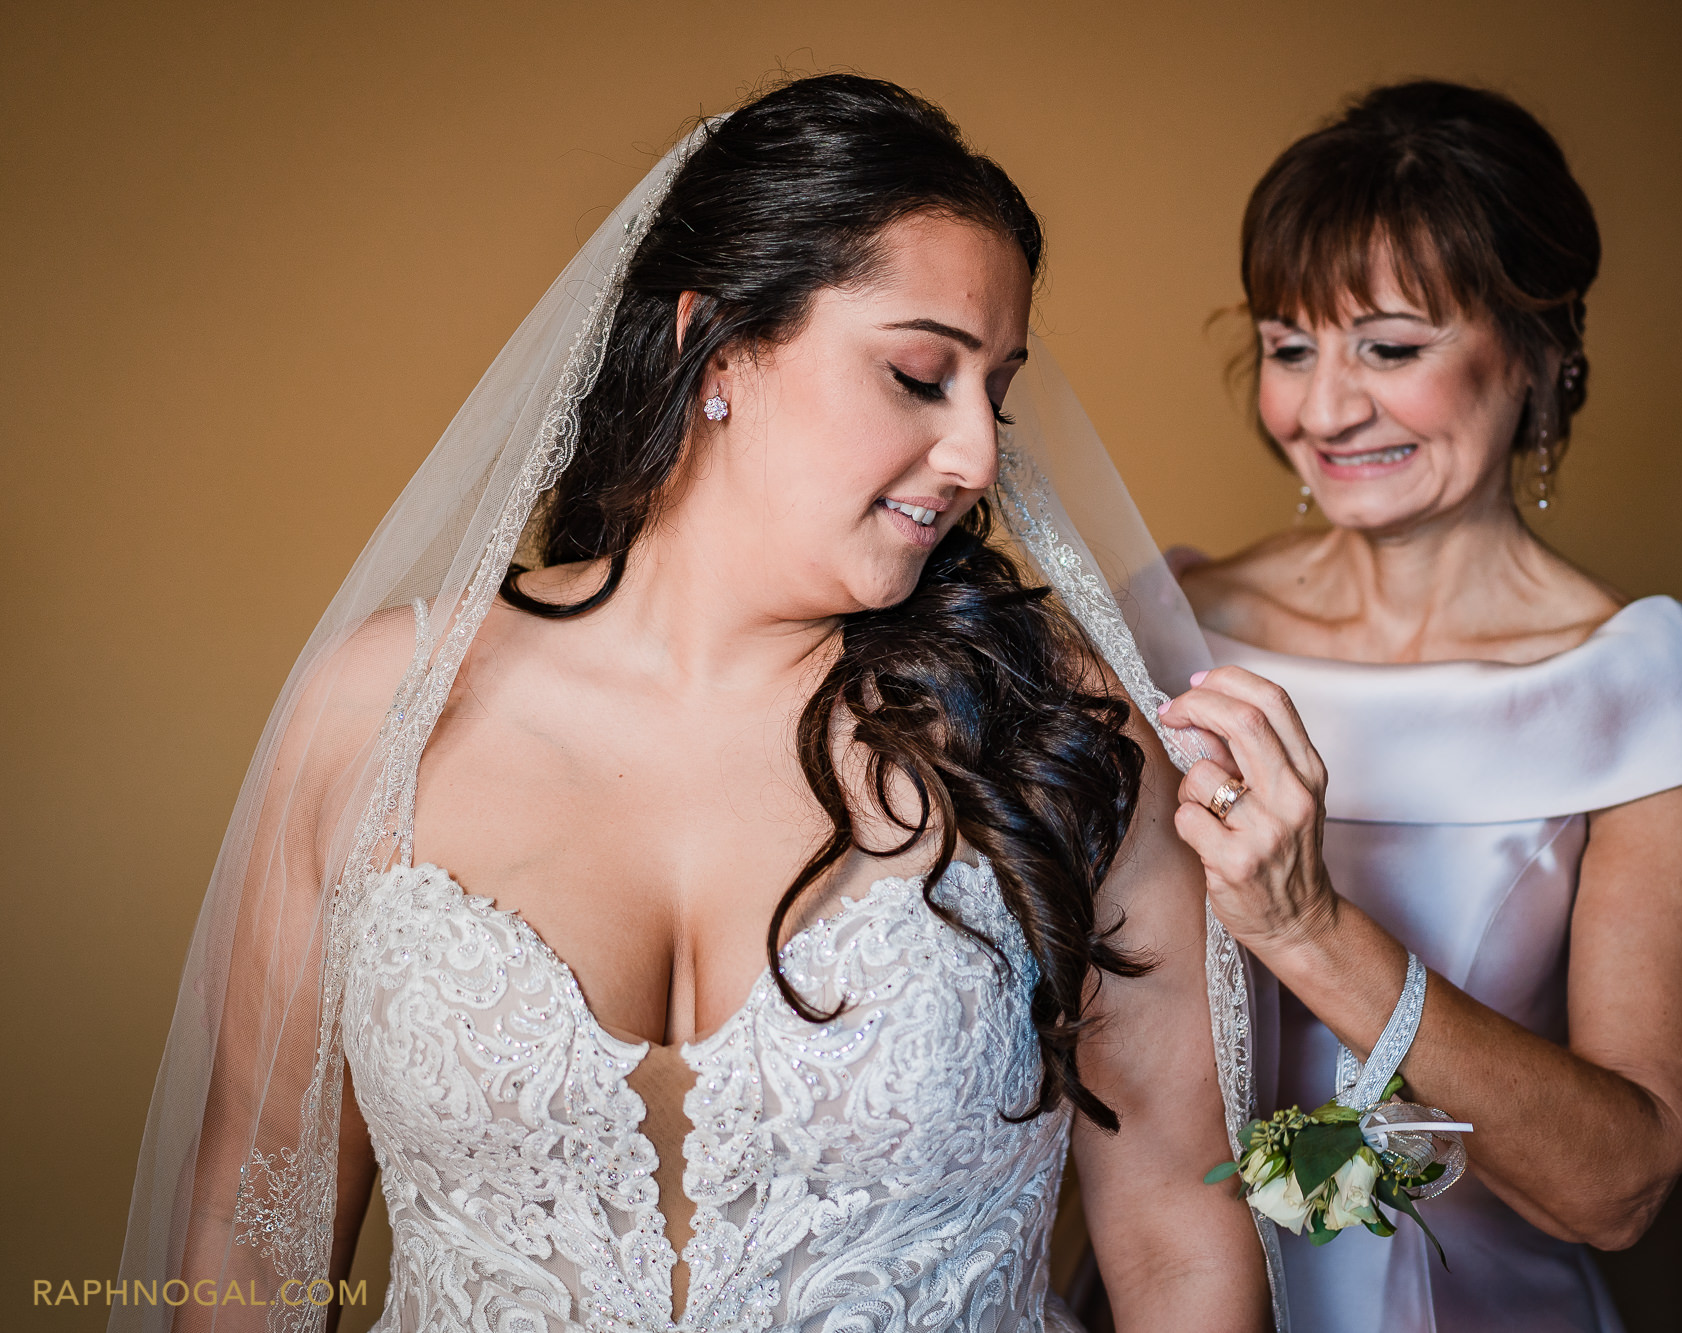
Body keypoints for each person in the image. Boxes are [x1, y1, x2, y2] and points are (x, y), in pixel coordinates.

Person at [115, 75, 1276, 1333]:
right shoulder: (385, 711)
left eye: (991, 390)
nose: (980, 456)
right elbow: (255, 1218)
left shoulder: (1055, 731)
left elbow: (1172, 1233)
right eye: (916, 374)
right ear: (712, 346)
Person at [1162, 81, 1682, 1333]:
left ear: (1539, 352)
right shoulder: (1171, 621)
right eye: (1290, 346)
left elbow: (1618, 1188)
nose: (1322, 409)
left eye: (1389, 348)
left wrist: (1306, 931)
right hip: (1183, 1291)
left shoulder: (1642, 692)